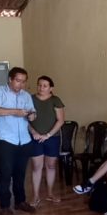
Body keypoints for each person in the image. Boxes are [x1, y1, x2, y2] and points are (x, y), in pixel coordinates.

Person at [0, 67, 37, 215]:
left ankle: (20, 201)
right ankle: (4, 206)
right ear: (10, 79)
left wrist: (32, 116)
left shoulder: (26, 95)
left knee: (20, 173)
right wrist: (15, 111)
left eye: (23, 81)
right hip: (6, 140)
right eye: (17, 81)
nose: (20, 84)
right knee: (5, 174)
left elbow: (32, 113)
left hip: (24, 140)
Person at [28, 75, 65, 205]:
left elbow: (60, 121)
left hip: (52, 138)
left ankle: (50, 193)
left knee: (51, 165)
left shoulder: (56, 100)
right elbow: (25, 120)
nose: (41, 88)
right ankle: (36, 196)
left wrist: (48, 135)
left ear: (51, 88)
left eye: (45, 86)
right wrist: (34, 132)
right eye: (39, 85)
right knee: (36, 166)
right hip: (35, 138)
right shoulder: (30, 99)